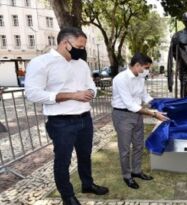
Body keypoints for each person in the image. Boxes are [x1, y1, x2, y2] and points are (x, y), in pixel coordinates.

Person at [25, 27, 108, 205]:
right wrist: (72, 95)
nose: (82, 50)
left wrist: (90, 92)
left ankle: (87, 184)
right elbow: (32, 93)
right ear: (65, 43)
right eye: (79, 46)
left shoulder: (82, 64)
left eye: (84, 46)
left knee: (85, 155)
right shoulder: (41, 63)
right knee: (63, 160)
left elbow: (91, 86)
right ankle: (67, 196)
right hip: (61, 122)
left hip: (85, 118)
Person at [111, 53, 169, 190]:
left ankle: (136, 171)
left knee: (138, 145)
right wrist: (153, 114)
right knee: (125, 149)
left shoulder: (140, 78)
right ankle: (127, 176)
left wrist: (158, 103)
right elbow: (130, 104)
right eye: (146, 68)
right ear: (137, 65)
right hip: (123, 115)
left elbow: (144, 95)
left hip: (137, 115)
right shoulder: (121, 79)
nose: (147, 71)